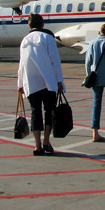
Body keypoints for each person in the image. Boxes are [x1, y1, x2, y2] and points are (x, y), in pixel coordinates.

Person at [17, 13, 65, 156]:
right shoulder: (48, 38)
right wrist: (59, 81)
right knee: (49, 111)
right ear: (42, 24)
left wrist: (20, 83)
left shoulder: (24, 40)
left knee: (35, 112)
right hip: (47, 81)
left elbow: (21, 65)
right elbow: (55, 62)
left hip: (31, 83)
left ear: (30, 26)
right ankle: (46, 142)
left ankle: (37, 145)